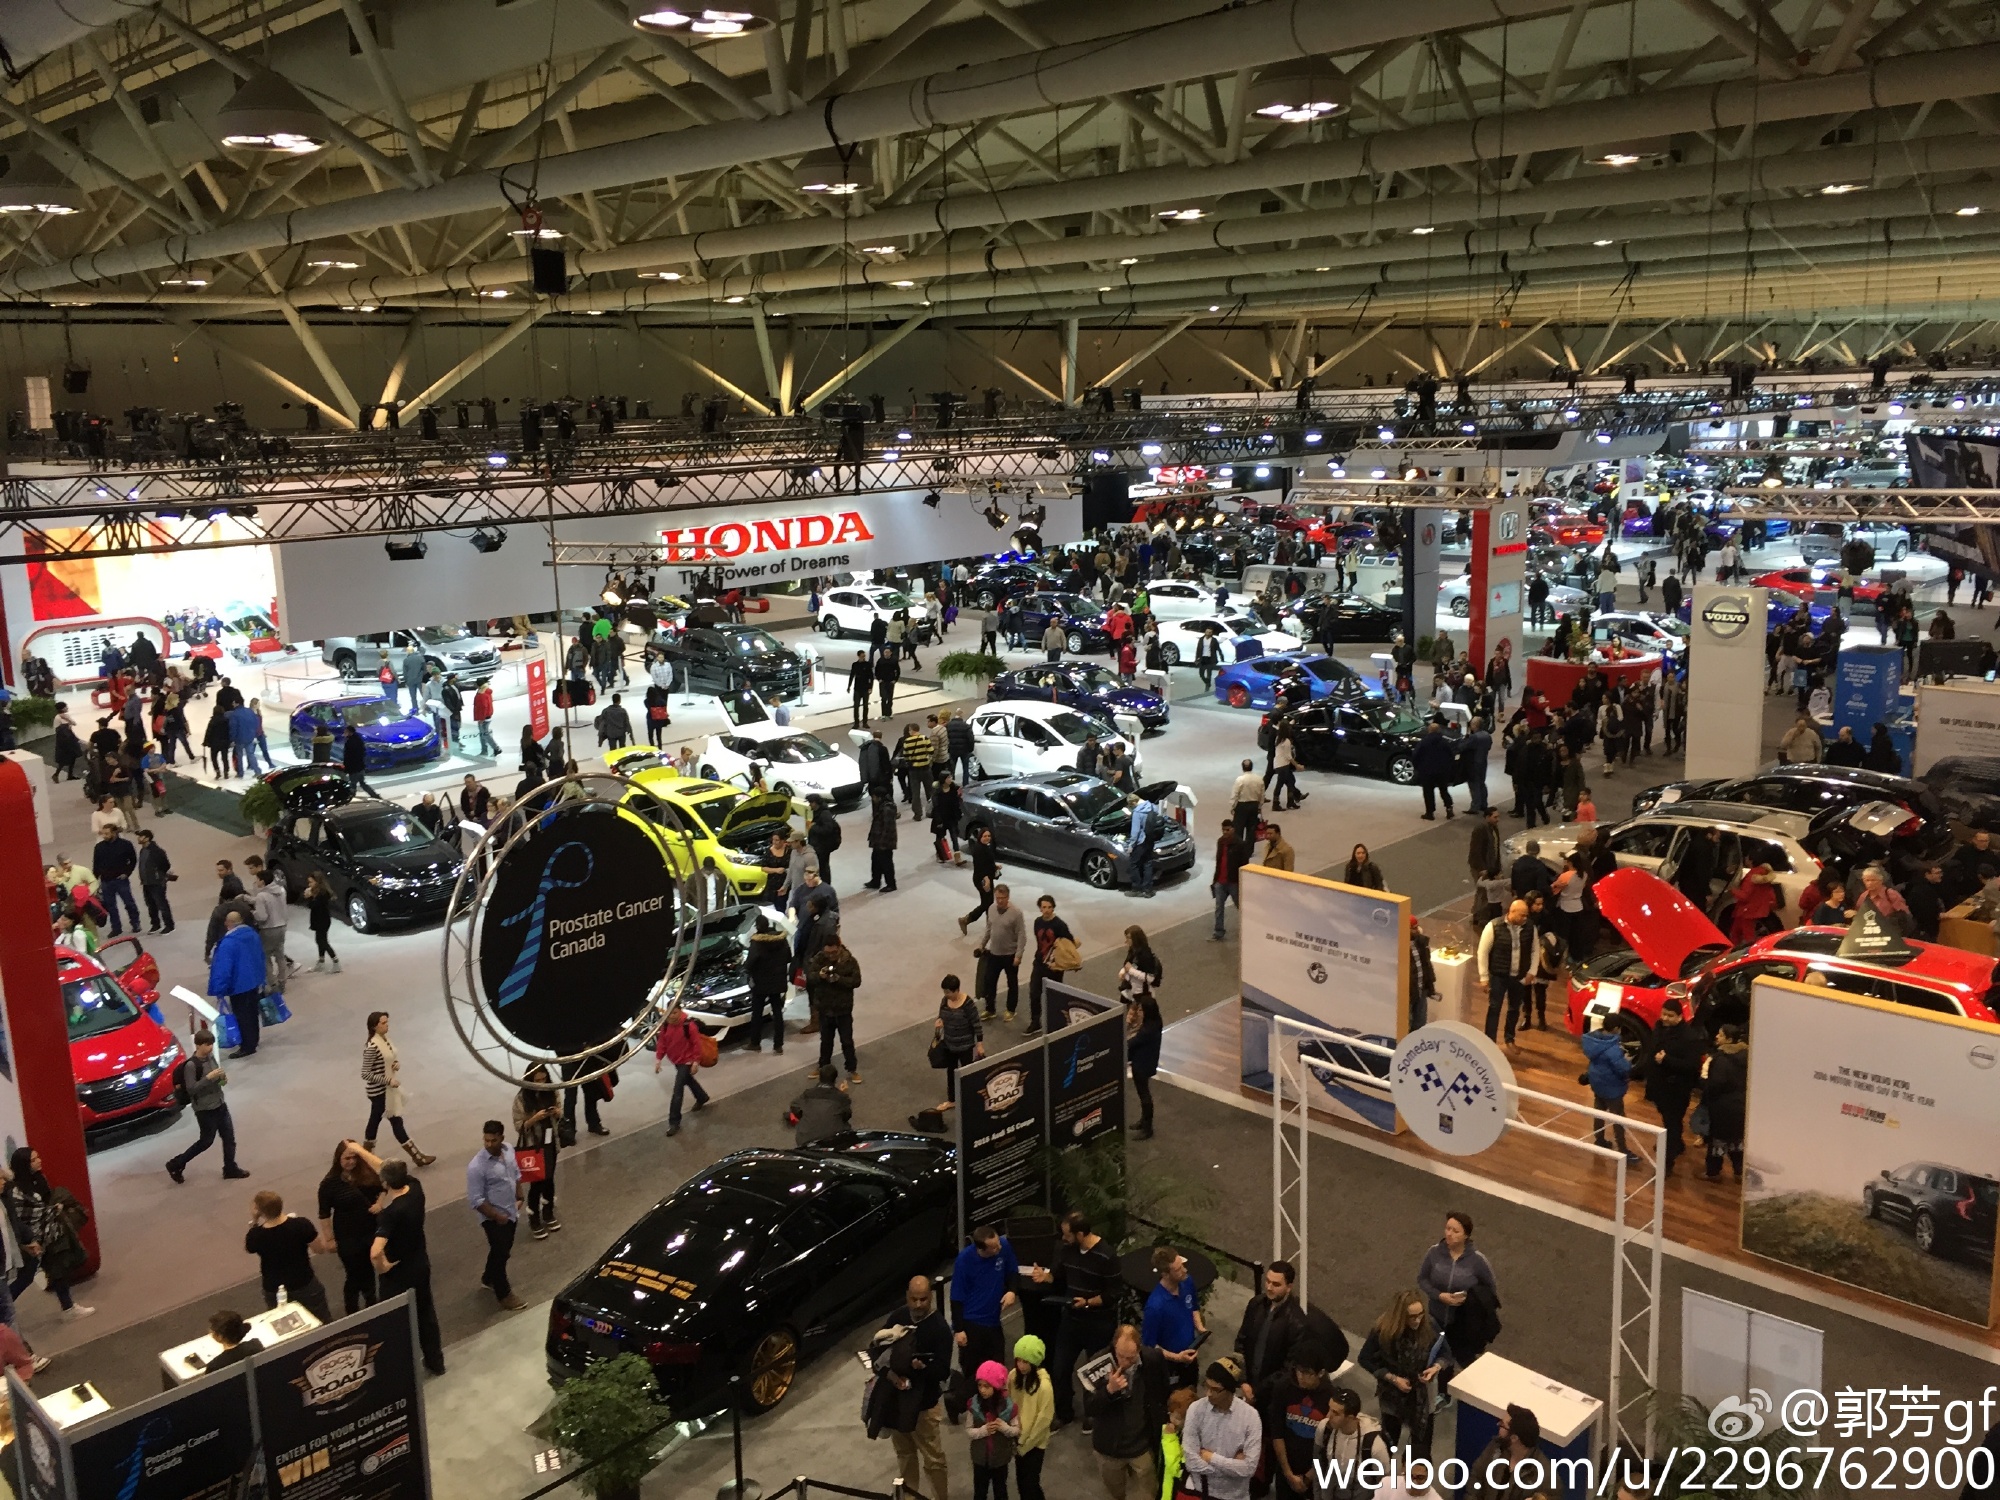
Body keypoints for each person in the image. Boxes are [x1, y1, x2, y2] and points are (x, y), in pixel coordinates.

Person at [1027, 1209, 1118, 1429]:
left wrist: (1087, 1302)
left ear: (1080, 1234)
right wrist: (1045, 1276)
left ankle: (1093, 1414)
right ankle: (1064, 1412)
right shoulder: (1066, 1249)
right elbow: (1058, 1275)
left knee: (1096, 1371)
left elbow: (1113, 1294)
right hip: (1071, 1321)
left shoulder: (1107, 1256)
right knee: (1060, 1368)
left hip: (1099, 1324)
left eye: (1067, 1234)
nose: (1063, 1238)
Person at [874, 1275, 954, 1500]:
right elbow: (879, 1352)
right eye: (914, 1299)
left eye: (923, 1299)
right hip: (898, 1403)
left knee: (934, 1459)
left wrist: (922, 1368)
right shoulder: (897, 1317)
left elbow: (943, 1371)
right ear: (907, 1296)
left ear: (931, 1297)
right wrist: (891, 1376)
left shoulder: (939, 1328)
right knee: (905, 1455)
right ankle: (910, 1496)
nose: (918, 1304)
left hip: (924, 1407)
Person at [371, 1160, 445, 1375]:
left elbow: (375, 1251)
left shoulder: (390, 1214)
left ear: (385, 1183)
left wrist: (383, 1267)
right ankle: (435, 1362)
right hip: (419, 1264)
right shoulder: (416, 1191)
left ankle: (400, 1370)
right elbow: (387, 1167)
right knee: (425, 1314)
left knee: (395, 1321)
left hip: (397, 1274)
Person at [1082, 1324, 1170, 1500]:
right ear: (1114, 1346)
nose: (1124, 1362)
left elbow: (1162, 1391)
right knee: (1116, 1493)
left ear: (1139, 1349)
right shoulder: (1097, 1364)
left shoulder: (1152, 1359)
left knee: (1148, 1493)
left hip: (1141, 1445)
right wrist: (1108, 1391)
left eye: (1130, 1358)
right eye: (1120, 1356)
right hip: (1109, 1449)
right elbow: (1090, 1408)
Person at [3, 1149, 91, 1320]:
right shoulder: (16, 1191)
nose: (39, 1161)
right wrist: (52, 1211)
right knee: (26, 1276)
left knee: (57, 1269)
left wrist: (51, 1211)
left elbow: (43, 1205)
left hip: (48, 1234)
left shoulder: (38, 1179)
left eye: (37, 1157)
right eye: (33, 1159)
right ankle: (3, 1310)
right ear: (24, 1165)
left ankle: (68, 1308)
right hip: (30, 1240)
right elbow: (23, 1216)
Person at [1358, 1290, 1441, 1459]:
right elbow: (1364, 1358)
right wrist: (1393, 1378)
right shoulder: (1383, 1330)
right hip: (1392, 1395)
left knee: (1420, 1449)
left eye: (1420, 1314)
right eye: (1412, 1317)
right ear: (1400, 1316)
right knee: (1388, 1444)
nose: (1417, 1320)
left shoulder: (1429, 1325)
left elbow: (1444, 1353)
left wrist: (1436, 1367)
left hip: (1423, 1396)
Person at [1417, 1211, 1500, 1371]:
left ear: (1466, 1235)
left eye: (1455, 1231)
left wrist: (1469, 1299)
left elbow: (1489, 1291)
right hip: (1436, 1318)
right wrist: (1439, 1295)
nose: (1449, 1234)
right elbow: (1422, 1279)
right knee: (1439, 1361)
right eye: (1447, 1228)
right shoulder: (1434, 1253)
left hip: (1463, 1322)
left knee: (1466, 1362)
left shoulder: (1478, 1261)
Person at [244, 1189, 333, 1322]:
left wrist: (254, 1220)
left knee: (283, 1324)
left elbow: (249, 1248)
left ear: (259, 1211)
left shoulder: (256, 1235)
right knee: (321, 1319)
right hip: (303, 1281)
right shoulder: (301, 1224)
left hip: (274, 1288)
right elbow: (319, 1250)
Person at [1180, 1360, 1262, 1500]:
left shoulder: (1250, 1416)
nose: (1208, 1393)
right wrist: (1232, 1468)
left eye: (1215, 1389)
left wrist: (1212, 1458)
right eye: (1206, 1386)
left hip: (1236, 1496)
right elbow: (1191, 1462)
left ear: (1229, 1390)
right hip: (1201, 1492)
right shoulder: (1196, 1409)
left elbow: (1249, 1469)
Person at [466, 1120, 525, 1311]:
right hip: (493, 1219)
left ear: (502, 1138)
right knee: (501, 1254)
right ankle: (504, 1294)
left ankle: (488, 1278)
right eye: (486, 1140)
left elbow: (515, 1173)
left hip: (511, 1212)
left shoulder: (508, 1150)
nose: (489, 1144)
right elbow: (476, 1200)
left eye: (493, 1140)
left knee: (502, 1249)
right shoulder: (477, 1166)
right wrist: (497, 1217)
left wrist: (520, 1194)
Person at [362, 1011, 435, 1164]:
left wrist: (395, 1064)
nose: (387, 1025)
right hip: (380, 1093)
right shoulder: (372, 1047)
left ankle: (367, 1157)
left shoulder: (385, 1040)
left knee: (381, 1122)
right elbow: (366, 1073)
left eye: (387, 1022)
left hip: (388, 1091)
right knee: (390, 1121)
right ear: (374, 1026)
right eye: (383, 1023)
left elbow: (388, 1059)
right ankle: (416, 1156)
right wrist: (388, 1080)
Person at [1232, 1259, 1308, 1405]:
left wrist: (1257, 1391)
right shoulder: (1255, 1304)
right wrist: (1243, 1381)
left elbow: (1289, 1367)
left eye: (1276, 1284)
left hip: (1273, 1396)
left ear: (1289, 1287)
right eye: (1267, 1281)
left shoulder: (1297, 1322)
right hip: (1247, 1386)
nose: (1269, 1287)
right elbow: (1241, 1341)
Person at [317, 1140, 381, 1312]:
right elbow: (324, 1213)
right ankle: (352, 1309)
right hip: (347, 1235)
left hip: (369, 1229)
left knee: (368, 1269)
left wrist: (380, 1203)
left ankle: (372, 1302)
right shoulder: (329, 1183)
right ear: (338, 1158)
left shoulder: (367, 1173)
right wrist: (329, 1239)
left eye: (355, 1157)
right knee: (353, 1274)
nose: (351, 1162)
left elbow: (384, 1185)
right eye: (347, 1158)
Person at [952, 1225, 1022, 1380]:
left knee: (998, 1370)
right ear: (981, 1249)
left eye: (998, 1243)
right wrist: (959, 1329)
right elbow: (956, 1296)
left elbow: (1013, 1271)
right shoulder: (964, 1260)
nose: (999, 1247)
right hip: (972, 1322)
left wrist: (1012, 1291)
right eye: (994, 1247)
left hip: (993, 1321)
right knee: (973, 1372)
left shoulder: (1003, 1247)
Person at [1140, 1246, 1205, 1388]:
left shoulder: (1187, 1282)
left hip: (1191, 1356)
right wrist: (1177, 1357)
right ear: (1165, 1274)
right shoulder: (1155, 1306)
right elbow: (1150, 1346)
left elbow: (1193, 1307)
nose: (1185, 1270)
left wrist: (1200, 1328)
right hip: (1170, 1367)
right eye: (1178, 1269)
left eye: (1182, 1265)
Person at [1477, 899, 1539, 1048]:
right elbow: (1482, 952)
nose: (1525, 918)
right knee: (1494, 1008)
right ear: (1512, 912)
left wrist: (1532, 971)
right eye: (1522, 915)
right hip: (1498, 976)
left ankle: (1509, 1038)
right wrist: (1484, 977)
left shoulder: (1530, 927)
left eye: (1526, 915)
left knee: (1514, 1008)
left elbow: (1535, 950)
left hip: (1519, 976)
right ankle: (1489, 1043)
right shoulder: (1494, 926)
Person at [1581, 1014, 1640, 1162]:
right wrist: (1628, 1062)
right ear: (1616, 1029)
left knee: (1599, 1112)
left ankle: (1599, 1139)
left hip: (1597, 1082)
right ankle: (1623, 1149)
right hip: (1612, 1087)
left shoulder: (1593, 1040)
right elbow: (1623, 1068)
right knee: (1618, 1118)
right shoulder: (1612, 1048)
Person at [206, 910, 265, 1059]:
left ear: (229, 923)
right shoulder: (252, 935)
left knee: (242, 1016)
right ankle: (253, 1040)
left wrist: (219, 989)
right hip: (253, 981)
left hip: (238, 985)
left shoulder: (228, 943)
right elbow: (260, 957)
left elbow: (224, 968)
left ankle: (247, 1046)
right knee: (252, 1013)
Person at [513, 1064, 563, 1237]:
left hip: (551, 1142)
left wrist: (557, 1112)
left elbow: (560, 1113)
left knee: (549, 1179)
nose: (541, 1083)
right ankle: (534, 1217)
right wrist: (534, 1119)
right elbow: (518, 1125)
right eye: (537, 1080)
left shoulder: (552, 1091)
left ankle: (548, 1212)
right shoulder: (522, 1098)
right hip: (534, 1146)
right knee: (537, 1182)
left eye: (544, 1079)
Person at [808, 931, 863, 1083]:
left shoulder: (849, 961)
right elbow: (810, 978)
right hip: (825, 1009)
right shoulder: (819, 959)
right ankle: (823, 1066)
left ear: (839, 948)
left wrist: (839, 979)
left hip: (843, 1009)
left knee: (847, 1041)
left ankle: (852, 1069)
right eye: (828, 953)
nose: (830, 956)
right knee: (826, 1041)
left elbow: (856, 981)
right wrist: (820, 976)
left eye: (833, 952)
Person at [965, 1358, 1021, 1500]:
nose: (982, 1390)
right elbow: (969, 1430)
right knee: (980, 1492)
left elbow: (1016, 1430)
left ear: (996, 1387)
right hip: (980, 1458)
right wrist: (983, 1431)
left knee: (1000, 1490)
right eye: (980, 1385)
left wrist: (1004, 1428)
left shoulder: (1009, 1407)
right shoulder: (974, 1405)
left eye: (987, 1386)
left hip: (1000, 1459)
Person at [653, 1002, 711, 1137]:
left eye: (675, 1012)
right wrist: (658, 1059)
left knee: (677, 1090)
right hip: (676, 1060)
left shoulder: (688, 1025)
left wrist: (695, 1061)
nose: (672, 1016)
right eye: (670, 1013)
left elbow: (696, 1044)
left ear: (680, 1011)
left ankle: (674, 1122)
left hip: (687, 1061)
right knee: (689, 1080)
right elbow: (662, 1043)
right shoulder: (665, 1025)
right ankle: (702, 1097)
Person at [931, 974, 984, 1116]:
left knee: (968, 1073)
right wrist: (939, 1022)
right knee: (951, 1073)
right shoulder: (945, 1001)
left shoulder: (968, 1003)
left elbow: (977, 1024)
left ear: (956, 990)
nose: (946, 995)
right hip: (949, 1045)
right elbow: (941, 1015)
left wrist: (979, 1044)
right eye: (944, 992)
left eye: (948, 992)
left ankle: (972, 1099)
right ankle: (952, 1100)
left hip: (966, 1046)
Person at [1464, 1405, 1543, 1500]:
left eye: (1502, 1425)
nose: (1498, 1425)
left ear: (1514, 1438)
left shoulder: (1543, 1477)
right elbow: (1477, 1476)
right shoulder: (1496, 1446)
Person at [1702, 1023, 1749, 1180]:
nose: (1717, 1036)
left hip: (1722, 1107)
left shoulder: (1721, 1060)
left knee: (1717, 1140)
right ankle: (1740, 1172)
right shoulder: (1747, 1057)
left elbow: (1716, 1084)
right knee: (1737, 1141)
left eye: (1721, 1034)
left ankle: (1713, 1172)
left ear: (1729, 1039)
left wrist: (1703, 1084)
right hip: (1741, 1105)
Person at [1009, 1337, 1053, 1500]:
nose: (1021, 1365)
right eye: (1018, 1360)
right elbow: (1008, 1402)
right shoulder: (1013, 1376)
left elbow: (1044, 1420)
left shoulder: (1044, 1386)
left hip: (1035, 1443)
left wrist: (1025, 1444)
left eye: (1025, 1362)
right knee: (1022, 1483)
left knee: (1030, 1484)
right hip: (1017, 1437)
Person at [975, 885, 1027, 1019]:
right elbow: (988, 929)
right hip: (994, 954)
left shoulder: (1016, 913)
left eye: (1002, 898)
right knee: (989, 982)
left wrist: (1019, 955)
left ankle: (1011, 1010)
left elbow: (1022, 935)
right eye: (997, 898)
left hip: (1010, 955)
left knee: (1012, 983)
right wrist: (981, 946)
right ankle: (990, 1009)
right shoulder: (991, 909)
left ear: (1008, 897)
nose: (999, 901)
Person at [1125, 960, 1163, 1139]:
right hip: (1143, 1060)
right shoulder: (1154, 1022)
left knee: (1144, 1094)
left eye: (1141, 1010)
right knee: (1143, 1093)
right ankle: (1143, 1121)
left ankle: (1147, 1128)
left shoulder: (1148, 1029)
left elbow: (1132, 1042)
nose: (1138, 1012)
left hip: (1143, 1063)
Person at [91, 823, 140, 937]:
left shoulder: (125, 845)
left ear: (114, 833)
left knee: (129, 903)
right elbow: (96, 865)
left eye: (107, 833)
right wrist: (95, 881)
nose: (104, 836)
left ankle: (135, 923)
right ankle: (116, 928)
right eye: (103, 834)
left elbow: (133, 860)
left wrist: (127, 873)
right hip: (106, 881)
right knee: (110, 906)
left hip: (120, 880)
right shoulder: (99, 847)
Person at [789, 1065, 852, 1144]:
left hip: (805, 1139)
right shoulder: (842, 1097)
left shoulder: (808, 1094)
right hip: (833, 1140)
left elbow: (794, 1106)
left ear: (819, 1077)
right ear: (835, 1079)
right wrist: (841, 1092)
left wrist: (806, 1114)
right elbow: (846, 1116)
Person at [1212, 820, 1252, 941]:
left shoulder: (1240, 844)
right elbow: (1219, 862)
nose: (1225, 832)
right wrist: (1215, 880)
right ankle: (1218, 932)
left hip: (1234, 881)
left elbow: (1244, 864)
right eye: (1223, 830)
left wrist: (1242, 881)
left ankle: (1249, 928)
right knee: (1219, 907)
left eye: (1227, 830)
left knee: (1241, 906)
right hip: (1220, 881)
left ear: (1233, 829)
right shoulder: (1220, 842)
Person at [960, 824, 1002, 933]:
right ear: (980, 837)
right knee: (987, 903)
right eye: (985, 836)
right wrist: (986, 879)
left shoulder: (984, 847)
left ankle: (989, 925)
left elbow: (986, 863)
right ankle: (966, 919)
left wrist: (994, 866)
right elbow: (979, 866)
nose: (987, 838)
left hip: (985, 878)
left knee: (988, 902)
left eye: (989, 836)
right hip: (983, 880)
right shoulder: (979, 850)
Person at [1413, 720, 1457, 820]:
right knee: (1444, 790)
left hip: (1427, 771)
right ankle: (1449, 808)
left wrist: (1418, 767)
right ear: (1438, 730)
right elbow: (1451, 756)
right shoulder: (1444, 742)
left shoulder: (1424, 742)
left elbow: (1416, 755)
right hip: (1442, 771)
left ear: (1429, 730)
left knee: (1428, 792)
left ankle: (1430, 813)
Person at [135, 828, 175, 934]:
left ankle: (169, 925)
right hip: (146, 882)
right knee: (151, 904)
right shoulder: (143, 850)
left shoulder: (156, 851)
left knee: (162, 904)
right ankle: (155, 924)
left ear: (147, 838)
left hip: (157, 882)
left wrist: (158, 875)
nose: (138, 838)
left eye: (141, 836)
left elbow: (165, 865)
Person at [1229, 758, 1264, 842]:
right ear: (1252, 767)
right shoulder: (1259, 779)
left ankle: (1239, 846)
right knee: (1251, 830)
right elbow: (1262, 795)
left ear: (1242, 768)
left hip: (1242, 806)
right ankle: (1249, 848)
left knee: (1238, 829)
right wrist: (1259, 806)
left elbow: (1235, 794)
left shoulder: (1240, 780)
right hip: (1254, 805)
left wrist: (1232, 806)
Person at [849, 651, 875, 728]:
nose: (863, 657)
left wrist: (870, 687)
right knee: (856, 705)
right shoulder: (855, 665)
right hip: (857, 688)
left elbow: (871, 677)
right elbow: (852, 675)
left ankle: (865, 722)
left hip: (865, 688)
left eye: (864, 656)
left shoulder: (867, 664)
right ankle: (856, 722)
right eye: (862, 656)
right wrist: (849, 686)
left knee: (865, 706)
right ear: (858, 656)